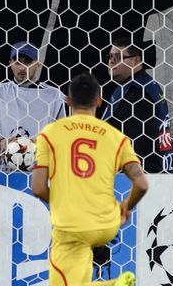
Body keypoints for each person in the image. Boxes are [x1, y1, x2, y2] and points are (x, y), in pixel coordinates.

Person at [31, 72, 147, 286]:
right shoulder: (116, 137)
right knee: (77, 277)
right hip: (106, 223)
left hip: (71, 224)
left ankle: (109, 285)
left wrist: (60, 202)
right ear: (99, 101)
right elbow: (141, 183)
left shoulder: (50, 133)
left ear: (67, 100)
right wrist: (126, 207)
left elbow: (37, 187)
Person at [0, 41, 66, 171]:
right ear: (10, 64)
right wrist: (0, 141)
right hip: (1, 173)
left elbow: (63, 135)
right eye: (17, 62)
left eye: (28, 62)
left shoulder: (54, 96)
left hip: (39, 173)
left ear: (38, 65)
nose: (22, 68)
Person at [102, 37, 173, 173]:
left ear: (135, 60)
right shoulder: (146, 85)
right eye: (110, 56)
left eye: (118, 57)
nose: (111, 61)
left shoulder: (136, 93)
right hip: (158, 175)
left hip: (138, 180)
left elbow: (138, 145)